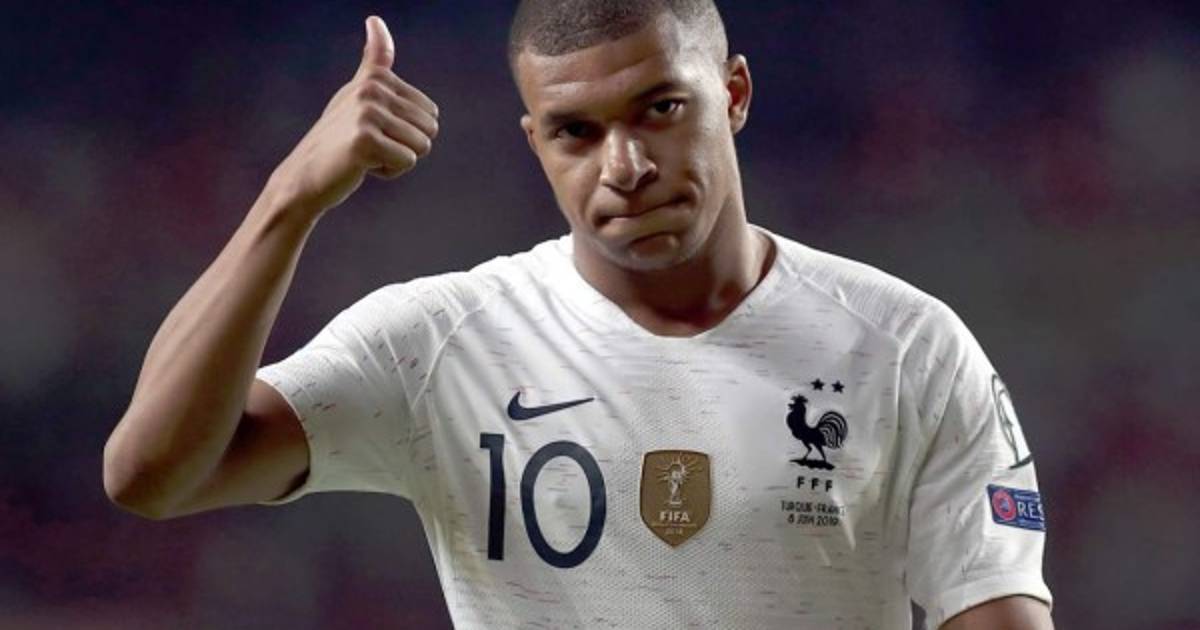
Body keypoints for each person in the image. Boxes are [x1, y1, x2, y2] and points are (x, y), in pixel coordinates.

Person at [103, 1, 1054, 628]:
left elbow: (997, 613)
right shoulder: (440, 343)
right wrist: (289, 199)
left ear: (732, 95)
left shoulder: (906, 346)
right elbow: (150, 476)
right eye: (577, 132)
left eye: (660, 109)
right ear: (536, 141)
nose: (624, 167)